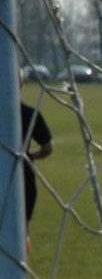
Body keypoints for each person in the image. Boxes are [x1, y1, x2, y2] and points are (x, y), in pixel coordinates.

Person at [20, 97, 54, 250]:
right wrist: (30, 156)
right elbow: (47, 148)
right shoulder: (29, 113)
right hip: (23, 175)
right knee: (21, 232)